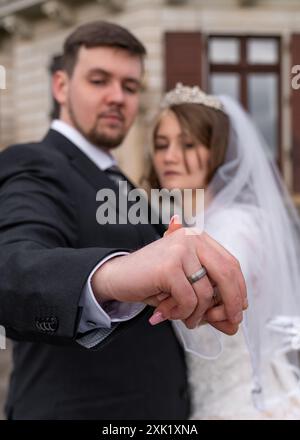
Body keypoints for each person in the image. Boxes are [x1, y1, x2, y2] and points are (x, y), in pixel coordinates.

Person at [0, 23, 246, 420]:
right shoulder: (33, 164)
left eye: (130, 87)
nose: (117, 97)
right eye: (99, 81)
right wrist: (112, 274)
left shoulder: (119, 181)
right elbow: (10, 271)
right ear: (60, 87)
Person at [149, 83, 300, 419]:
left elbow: (224, 273)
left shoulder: (237, 222)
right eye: (161, 145)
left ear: (216, 150)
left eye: (188, 144)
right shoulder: (186, 224)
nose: (170, 156)